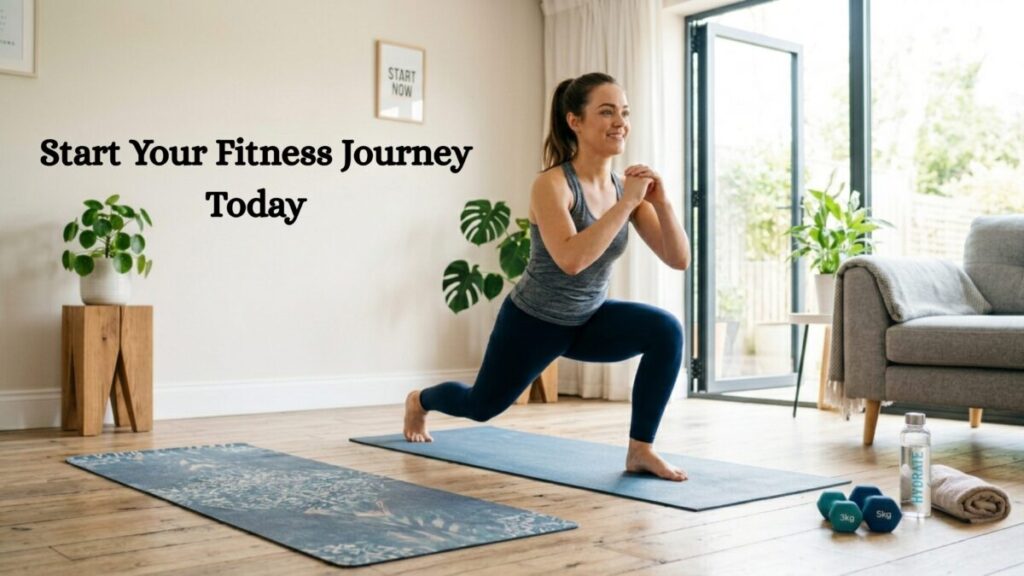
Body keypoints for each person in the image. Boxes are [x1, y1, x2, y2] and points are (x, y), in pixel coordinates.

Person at [404, 72, 691, 481]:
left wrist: (661, 203)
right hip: (535, 321)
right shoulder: (552, 185)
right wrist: (627, 204)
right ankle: (420, 400)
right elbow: (571, 260)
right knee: (482, 406)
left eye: (624, 113)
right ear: (574, 121)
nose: (620, 122)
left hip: (589, 319)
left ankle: (640, 450)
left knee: (665, 330)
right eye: (606, 112)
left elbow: (678, 259)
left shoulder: (621, 190)